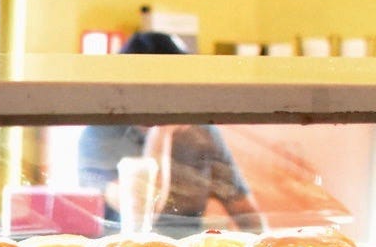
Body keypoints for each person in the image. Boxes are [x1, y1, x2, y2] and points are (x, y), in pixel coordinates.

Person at [77, 32, 264, 236]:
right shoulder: (101, 134)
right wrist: (162, 131)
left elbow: (245, 212)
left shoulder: (202, 133)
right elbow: (143, 211)